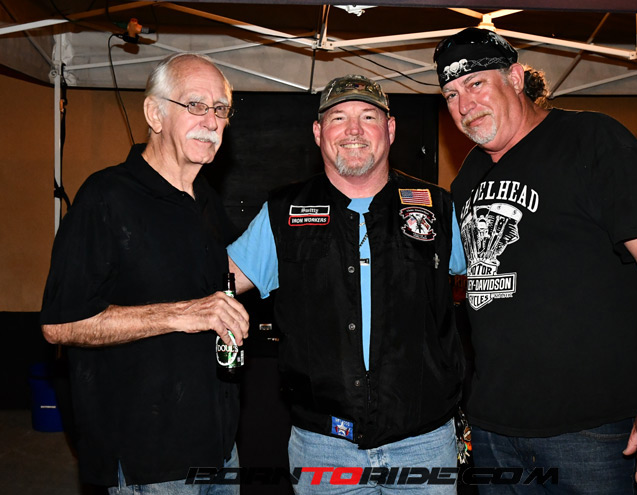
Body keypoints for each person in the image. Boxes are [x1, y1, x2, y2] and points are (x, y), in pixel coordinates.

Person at [434, 28, 637, 493]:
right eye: (451, 94)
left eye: (476, 84)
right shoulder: (468, 175)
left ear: (515, 78)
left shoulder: (592, 139)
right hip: (495, 428)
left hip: (590, 431)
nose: (464, 104)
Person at [227, 74, 466, 494]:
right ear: (318, 132)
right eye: (338, 118)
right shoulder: (284, 212)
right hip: (323, 448)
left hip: (424, 444)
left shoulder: (437, 207)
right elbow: (215, 282)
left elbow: (484, 288)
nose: (353, 130)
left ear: (390, 129)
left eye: (368, 117)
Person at [40, 52, 249, 494]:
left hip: (219, 446)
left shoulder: (206, 201)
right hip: (150, 462)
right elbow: (61, 324)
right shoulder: (106, 196)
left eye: (220, 109)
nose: (211, 121)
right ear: (155, 114)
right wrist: (183, 314)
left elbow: (223, 279)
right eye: (195, 105)